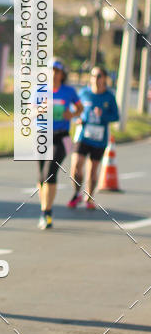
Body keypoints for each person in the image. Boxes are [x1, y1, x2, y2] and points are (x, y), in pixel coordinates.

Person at [37, 59, 83, 230]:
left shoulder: (69, 91)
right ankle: (44, 208)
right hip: (42, 136)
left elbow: (80, 108)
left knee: (50, 172)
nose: (54, 74)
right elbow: (30, 110)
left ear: (62, 74)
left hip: (62, 137)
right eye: (51, 70)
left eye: (57, 71)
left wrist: (71, 114)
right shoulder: (40, 90)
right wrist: (41, 110)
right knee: (41, 177)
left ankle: (47, 213)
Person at [68, 66, 119, 211]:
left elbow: (116, 116)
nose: (95, 79)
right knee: (76, 165)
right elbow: (74, 110)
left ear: (104, 78)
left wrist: (103, 115)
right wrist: (77, 118)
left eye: (99, 76)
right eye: (93, 76)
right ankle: (76, 193)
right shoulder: (84, 93)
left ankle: (89, 198)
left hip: (99, 138)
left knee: (92, 170)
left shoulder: (109, 96)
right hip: (83, 135)